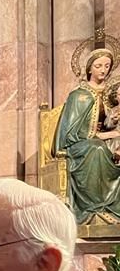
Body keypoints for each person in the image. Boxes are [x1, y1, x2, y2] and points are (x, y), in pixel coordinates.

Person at [54, 47, 120, 224]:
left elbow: (107, 123)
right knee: (96, 149)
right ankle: (96, 206)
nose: (103, 70)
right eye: (98, 65)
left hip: (105, 141)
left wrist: (112, 121)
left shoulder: (109, 94)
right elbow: (72, 130)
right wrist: (106, 135)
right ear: (90, 68)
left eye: (107, 66)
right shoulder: (78, 95)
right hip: (79, 144)